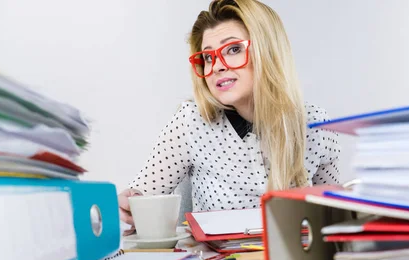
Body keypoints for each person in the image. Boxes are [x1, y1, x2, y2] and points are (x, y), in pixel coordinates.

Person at [119, 0, 340, 231]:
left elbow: (335, 221)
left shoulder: (317, 126)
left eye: (233, 49)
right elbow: (140, 202)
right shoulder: (191, 120)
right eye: (208, 57)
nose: (216, 67)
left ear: (268, 52)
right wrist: (130, 205)